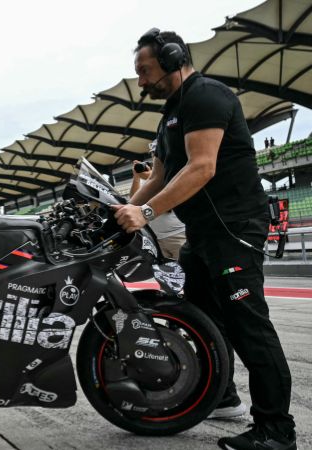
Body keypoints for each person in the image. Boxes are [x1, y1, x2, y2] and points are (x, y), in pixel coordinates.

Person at [114, 29, 296, 450]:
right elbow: (158, 175)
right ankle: (222, 395)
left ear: (174, 58)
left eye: (144, 71)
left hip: (234, 230)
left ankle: (276, 431)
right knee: (198, 318)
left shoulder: (206, 96)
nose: (141, 82)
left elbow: (201, 167)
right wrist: (117, 214)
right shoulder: (171, 113)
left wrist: (144, 213)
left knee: (249, 326)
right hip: (203, 233)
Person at [128, 157, 186, 259]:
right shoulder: (144, 185)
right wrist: (136, 178)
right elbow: (133, 201)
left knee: (189, 269)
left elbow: (166, 193)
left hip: (178, 233)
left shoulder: (167, 176)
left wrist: (151, 177)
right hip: (158, 238)